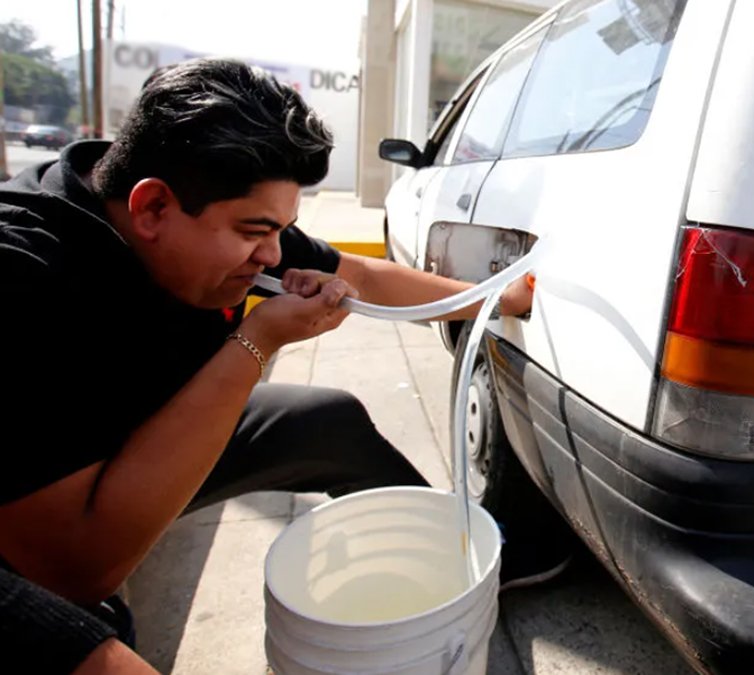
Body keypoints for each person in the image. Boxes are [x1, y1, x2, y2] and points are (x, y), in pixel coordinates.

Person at [0, 58, 563, 673]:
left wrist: (502, 296)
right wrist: (256, 341)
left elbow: (364, 275)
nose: (270, 254)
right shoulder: (26, 273)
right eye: (255, 232)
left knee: (326, 422)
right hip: (66, 502)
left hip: (156, 417)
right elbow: (71, 569)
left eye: (283, 230)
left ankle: (451, 557)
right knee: (105, 630)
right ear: (153, 208)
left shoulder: (208, 194)